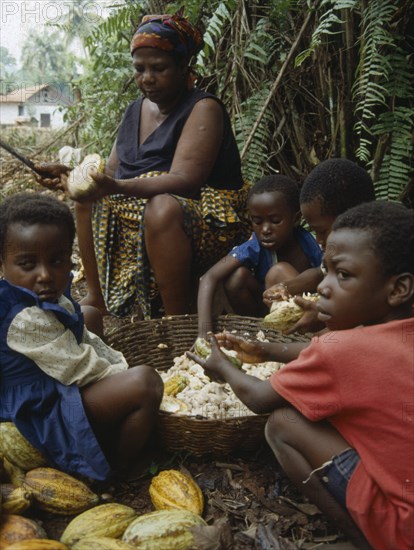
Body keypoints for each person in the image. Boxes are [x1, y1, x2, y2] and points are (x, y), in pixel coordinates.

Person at [188, 200, 414, 550]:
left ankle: (363, 538)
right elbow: (337, 352)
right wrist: (262, 351)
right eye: (325, 270)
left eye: (344, 275)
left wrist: (221, 367)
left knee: (282, 423)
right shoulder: (395, 333)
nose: (323, 286)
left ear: (398, 289)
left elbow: (259, 398)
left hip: (403, 529)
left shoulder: (342, 349)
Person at [35, 11, 251, 319]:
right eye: (139, 69)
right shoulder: (134, 111)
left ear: (182, 66)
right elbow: (108, 174)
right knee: (87, 200)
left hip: (206, 220)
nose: (147, 78)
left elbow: (185, 180)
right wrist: (72, 177)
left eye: (159, 68)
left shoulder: (204, 109)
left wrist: (118, 187)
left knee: (161, 208)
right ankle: (96, 298)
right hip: (142, 208)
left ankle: (178, 319)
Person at [0, 193, 163, 481]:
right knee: (145, 383)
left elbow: (82, 337)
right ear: (3, 263)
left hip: (50, 380)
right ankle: (119, 466)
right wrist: (124, 373)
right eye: (27, 264)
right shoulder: (24, 319)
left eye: (57, 260)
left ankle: (112, 418)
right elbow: (80, 368)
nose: (45, 275)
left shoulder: (38, 295)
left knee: (89, 314)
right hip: (39, 414)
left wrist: (114, 364)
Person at [197, 175, 322, 336]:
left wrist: (288, 287)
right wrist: (203, 334)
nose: (265, 230)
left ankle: (300, 335)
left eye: (275, 220)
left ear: (295, 218)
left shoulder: (308, 242)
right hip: (269, 312)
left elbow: (323, 273)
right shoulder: (254, 245)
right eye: (257, 221)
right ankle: (258, 331)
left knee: (279, 271)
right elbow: (208, 277)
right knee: (237, 277)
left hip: (310, 313)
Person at [263, 158, 376, 334]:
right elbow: (319, 273)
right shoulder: (338, 250)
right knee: (277, 274)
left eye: (321, 231)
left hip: (372, 335)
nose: (317, 239)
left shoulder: (378, 256)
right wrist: (286, 288)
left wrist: (326, 321)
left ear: (351, 218)